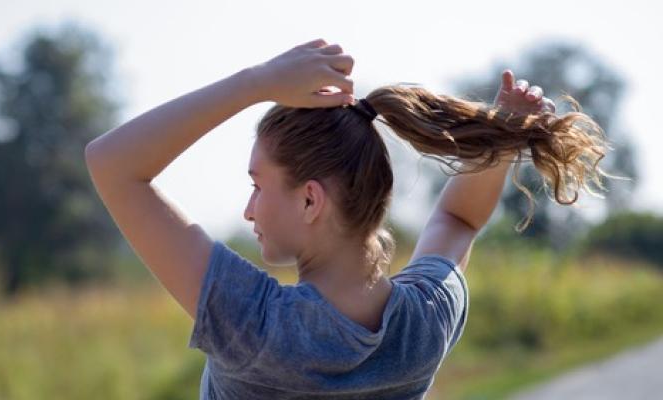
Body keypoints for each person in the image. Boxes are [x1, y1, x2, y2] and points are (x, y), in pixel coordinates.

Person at [84, 39, 613, 399]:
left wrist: (257, 82)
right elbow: (458, 221)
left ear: (311, 201)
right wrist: (502, 136)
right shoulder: (422, 324)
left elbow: (112, 164)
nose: (247, 209)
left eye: (257, 185)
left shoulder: (255, 327)